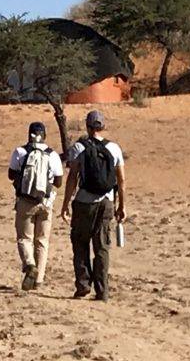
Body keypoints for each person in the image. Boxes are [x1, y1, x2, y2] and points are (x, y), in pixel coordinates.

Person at [61, 109, 126, 301]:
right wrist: (122, 206)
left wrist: (65, 204)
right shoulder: (114, 148)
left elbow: (72, 178)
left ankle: (83, 285)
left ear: (88, 126)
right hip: (107, 203)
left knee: (80, 243)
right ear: (102, 126)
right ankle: (102, 290)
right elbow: (121, 180)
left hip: (83, 203)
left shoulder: (78, 148)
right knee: (102, 247)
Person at [8, 121, 64, 291]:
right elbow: (59, 182)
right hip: (46, 203)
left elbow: (11, 175)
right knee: (42, 241)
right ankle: (38, 280)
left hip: (26, 201)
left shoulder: (20, 152)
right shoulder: (52, 154)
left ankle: (30, 264)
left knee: (25, 238)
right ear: (44, 135)